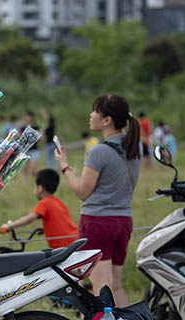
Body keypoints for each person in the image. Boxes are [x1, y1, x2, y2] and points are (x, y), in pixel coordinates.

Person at [54, 94, 142, 307]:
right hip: (123, 221)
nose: (90, 115)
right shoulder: (134, 149)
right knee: (117, 286)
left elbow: (83, 191)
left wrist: (64, 166)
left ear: (107, 120)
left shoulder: (99, 151)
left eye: (95, 111)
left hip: (98, 222)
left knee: (101, 286)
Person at [0, 168, 78, 248]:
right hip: (75, 240)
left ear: (40, 188)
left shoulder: (44, 203)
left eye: (35, 186)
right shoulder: (58, 202)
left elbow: (30, 218)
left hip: (65, 247)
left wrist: (10, 225)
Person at [21, 110, 40, 180]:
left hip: (34, 150)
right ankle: (24, 185)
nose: (27, 118)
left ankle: (37, 181)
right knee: (24, 169)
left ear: (32, 117)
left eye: (28, 117)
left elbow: (41, 138)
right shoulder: (22, 127)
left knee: (33, 170)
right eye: (26, 117)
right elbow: (19, 137)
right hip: (25, 150)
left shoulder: (36, 127)